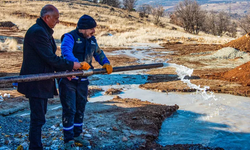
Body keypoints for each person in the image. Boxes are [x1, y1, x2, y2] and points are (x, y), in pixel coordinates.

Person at [17, 4, 81, 150]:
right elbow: (50, 58)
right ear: (47, 17)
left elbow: (49, 58)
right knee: (38, 118)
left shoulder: (44, 31)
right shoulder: (38, 32)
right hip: (36, 82)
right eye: (56, 18)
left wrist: (64, 72)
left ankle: (36, 145)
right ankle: (35, 147)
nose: (58, 21)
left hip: (41, 80)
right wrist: (72, 65)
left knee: (39, 117)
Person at [59, 14, 113, 149]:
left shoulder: (92, 40)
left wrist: (106, 63)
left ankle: (77, 136)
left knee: (80, 108)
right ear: (83, 28)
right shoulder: (69, 37)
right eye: (91, 29)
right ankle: (68, 140)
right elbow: (66, 53)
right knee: (69, 109)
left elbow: (98, 53)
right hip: (68, 80)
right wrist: (78, 64)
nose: (93, 31)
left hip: (83, 80)